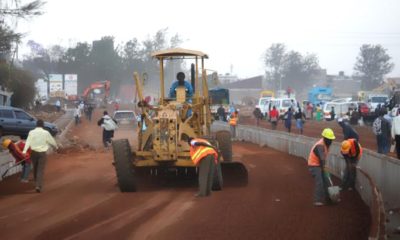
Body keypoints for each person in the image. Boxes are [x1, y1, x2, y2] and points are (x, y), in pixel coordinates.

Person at [22, 119, 58, 193]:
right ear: (43, 125)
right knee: (40, 169)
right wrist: (56, 147)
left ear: (36, 125)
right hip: (42, 153)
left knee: (35, 168)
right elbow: (52, 141)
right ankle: (38, 185)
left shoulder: (31, 132)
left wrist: (24, 151)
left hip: (33, 153)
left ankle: (36, 183)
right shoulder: (46, 133)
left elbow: (28, 142)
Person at [308, 128, 336, 206]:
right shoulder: (320, 145)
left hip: (320, 164)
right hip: (314, 165)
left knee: (327, 180)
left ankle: (330, 198)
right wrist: (324, 168)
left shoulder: (326, 144)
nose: (331, 141)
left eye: (331, 139)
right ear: (325, 138)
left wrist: (325, 169)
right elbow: (322, 158)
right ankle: (317, 200)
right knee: (320, 181)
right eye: (329, 139)